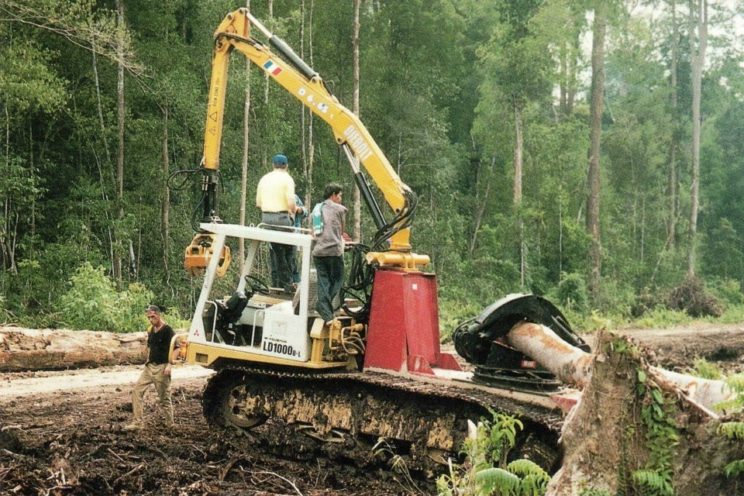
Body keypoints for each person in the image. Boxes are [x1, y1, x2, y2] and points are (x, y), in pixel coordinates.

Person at [125, 305, 179, 430]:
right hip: (150, 367)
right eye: (149, 317)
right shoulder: (151, 330)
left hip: (162, 367)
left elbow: (177, 348)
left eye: (153, 317)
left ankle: (170, 425)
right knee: (137, 391)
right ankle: (138, 422)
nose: (151, 320)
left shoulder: (167, 330)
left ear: (159, 315)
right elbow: (150, 347)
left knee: (164, 398)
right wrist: (147, 360)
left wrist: (170, 364)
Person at [256, 153, 298, 291]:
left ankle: (282, 283)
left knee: (278, 250)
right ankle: (288, 282)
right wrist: (293, 211)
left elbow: (258, 203)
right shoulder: (287, 179)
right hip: (281, 219)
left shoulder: (264, 179)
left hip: (266, 220)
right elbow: (291, 203)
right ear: (286, 166)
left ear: (273, 165)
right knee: (289, 251)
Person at [312, 183, 350, 323]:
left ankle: (324, 309)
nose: (340, 198)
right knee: (338, 280)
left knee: (323, 282)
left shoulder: (316, 209)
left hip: (318, 252)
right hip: (333, 251)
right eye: (339, 195)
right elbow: (341, 231)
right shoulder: (340, 209)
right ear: (333, 195)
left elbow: (313, 230)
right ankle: (323, 306)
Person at [290, 193, 308, 284]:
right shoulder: (274, 196)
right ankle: (277, 289)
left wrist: (298, 209)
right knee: (275, 267)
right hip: (276, 236)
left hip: (292, 236)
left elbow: (305, 212)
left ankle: (297, 287)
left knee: (292, 263)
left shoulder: (294, 197)